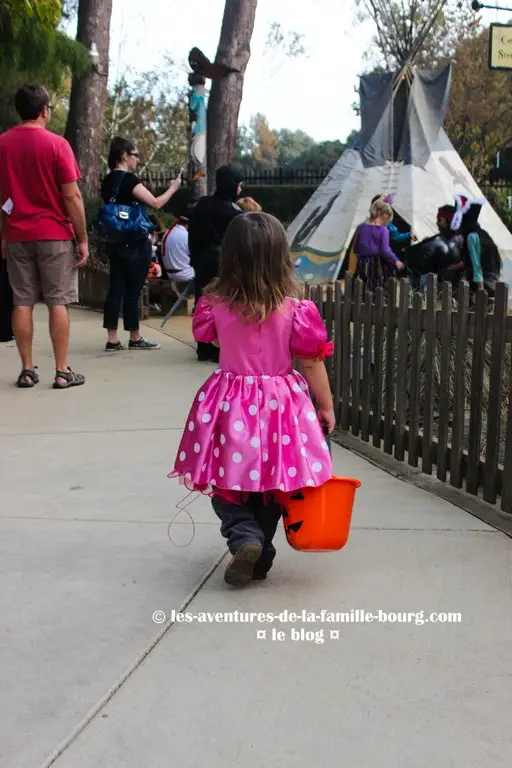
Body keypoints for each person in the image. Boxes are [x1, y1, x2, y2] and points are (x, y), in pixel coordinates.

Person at [170, 212, 335, 587]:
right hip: (282, 407)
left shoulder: (214, 304)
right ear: (280, 257)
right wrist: (325, 406)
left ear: (228, 257)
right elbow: (311, 362)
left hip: (230, 404)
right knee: (274, 485)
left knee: (225, 480)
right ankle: (259, 551)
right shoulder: (296, 310)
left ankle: (245, 537)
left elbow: (214, 341)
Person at [0, 84, 88, 389]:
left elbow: (2, 196)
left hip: (17, 234)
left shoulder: (3, 145)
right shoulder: (57, 145)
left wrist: (3, 234)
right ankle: (62, 371)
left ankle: (27, 369)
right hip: (54, 234)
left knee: (22, 301)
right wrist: (82, 238)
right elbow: (71, 196)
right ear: (44, 111)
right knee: (57, 300)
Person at [101, 137, 182, 351]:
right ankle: (135, 337)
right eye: (135, 155)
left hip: (114, 240)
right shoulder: (129, 180)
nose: (137, 159)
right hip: (135, 241)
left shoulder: (107, 180)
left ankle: (112, 338)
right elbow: (155, 202)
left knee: (115, 287)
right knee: (133, 290)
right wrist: (173, 189)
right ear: (124, 156)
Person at [188, 165, 244, 362]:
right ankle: (219, 347)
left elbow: (192, 234)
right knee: (224, 304)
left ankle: (203, 346)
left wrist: (194, 258)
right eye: (239, 184)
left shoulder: (202, 205)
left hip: (202, 261)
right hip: (224, 265)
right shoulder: (234, 212)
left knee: (203, 302)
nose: (240, 189)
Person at [452, 196, 502, 298]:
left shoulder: (472, 237)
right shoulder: (482, 234)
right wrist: (448, 268)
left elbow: (477, 268)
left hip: (485, 285)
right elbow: (466, 262)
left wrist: (480, 293)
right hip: (493, 283)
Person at [354, 197, 405, 289]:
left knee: (360, 290)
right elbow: (385, 250)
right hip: (376, 267)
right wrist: (395, 260)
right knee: (376, 291)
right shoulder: (383, 230)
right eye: (388, 217)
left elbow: (355, 248)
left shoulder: (360, 227)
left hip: (362, 264)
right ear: (385, 215)